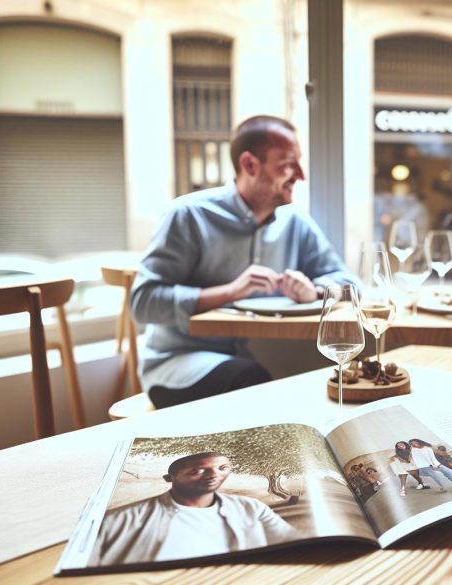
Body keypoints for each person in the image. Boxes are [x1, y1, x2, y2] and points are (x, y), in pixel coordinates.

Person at [131, 115, 358, 408]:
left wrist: (316, 291)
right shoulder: (188, 215)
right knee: (251, 381)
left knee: (334, 380)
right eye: (288, 163)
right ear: (250, 165)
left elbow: (350, 283)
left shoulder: (296, 222)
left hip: (255, 362)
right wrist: (230, 292)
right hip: (180, 364)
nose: (300, 175)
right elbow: (142, 302)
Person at [94, 452, 299, 566]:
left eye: (222, 468)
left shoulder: (250, 507)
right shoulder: (121, 520)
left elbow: (294, 544)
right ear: (169, 478)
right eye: (197, 470)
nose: (213, 475)